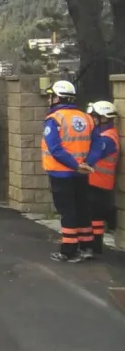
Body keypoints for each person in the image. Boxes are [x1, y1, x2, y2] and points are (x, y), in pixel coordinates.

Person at [42, 80, 94, 263]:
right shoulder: (86, 117)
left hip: (61, 172)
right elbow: (94, 143)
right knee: (82, 208)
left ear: (57, 97)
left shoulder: (54, 119)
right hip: (81, 172)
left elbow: (55, 149)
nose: (49, 99)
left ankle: (69, 250)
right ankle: (87, 246)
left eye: (51, 96)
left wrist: (74, 165)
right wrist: (86, 164)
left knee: (67, 211)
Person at [83, 100, 118, 258]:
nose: (92, 119)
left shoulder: (107, 138)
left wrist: (81, 164)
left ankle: (93, 247)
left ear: (103, 118)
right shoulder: (103, 135)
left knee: (94, 218)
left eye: (94, 116)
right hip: (97, 182)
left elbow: (94, 155)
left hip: (98, 183)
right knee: (94, 217)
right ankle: (93, 247)